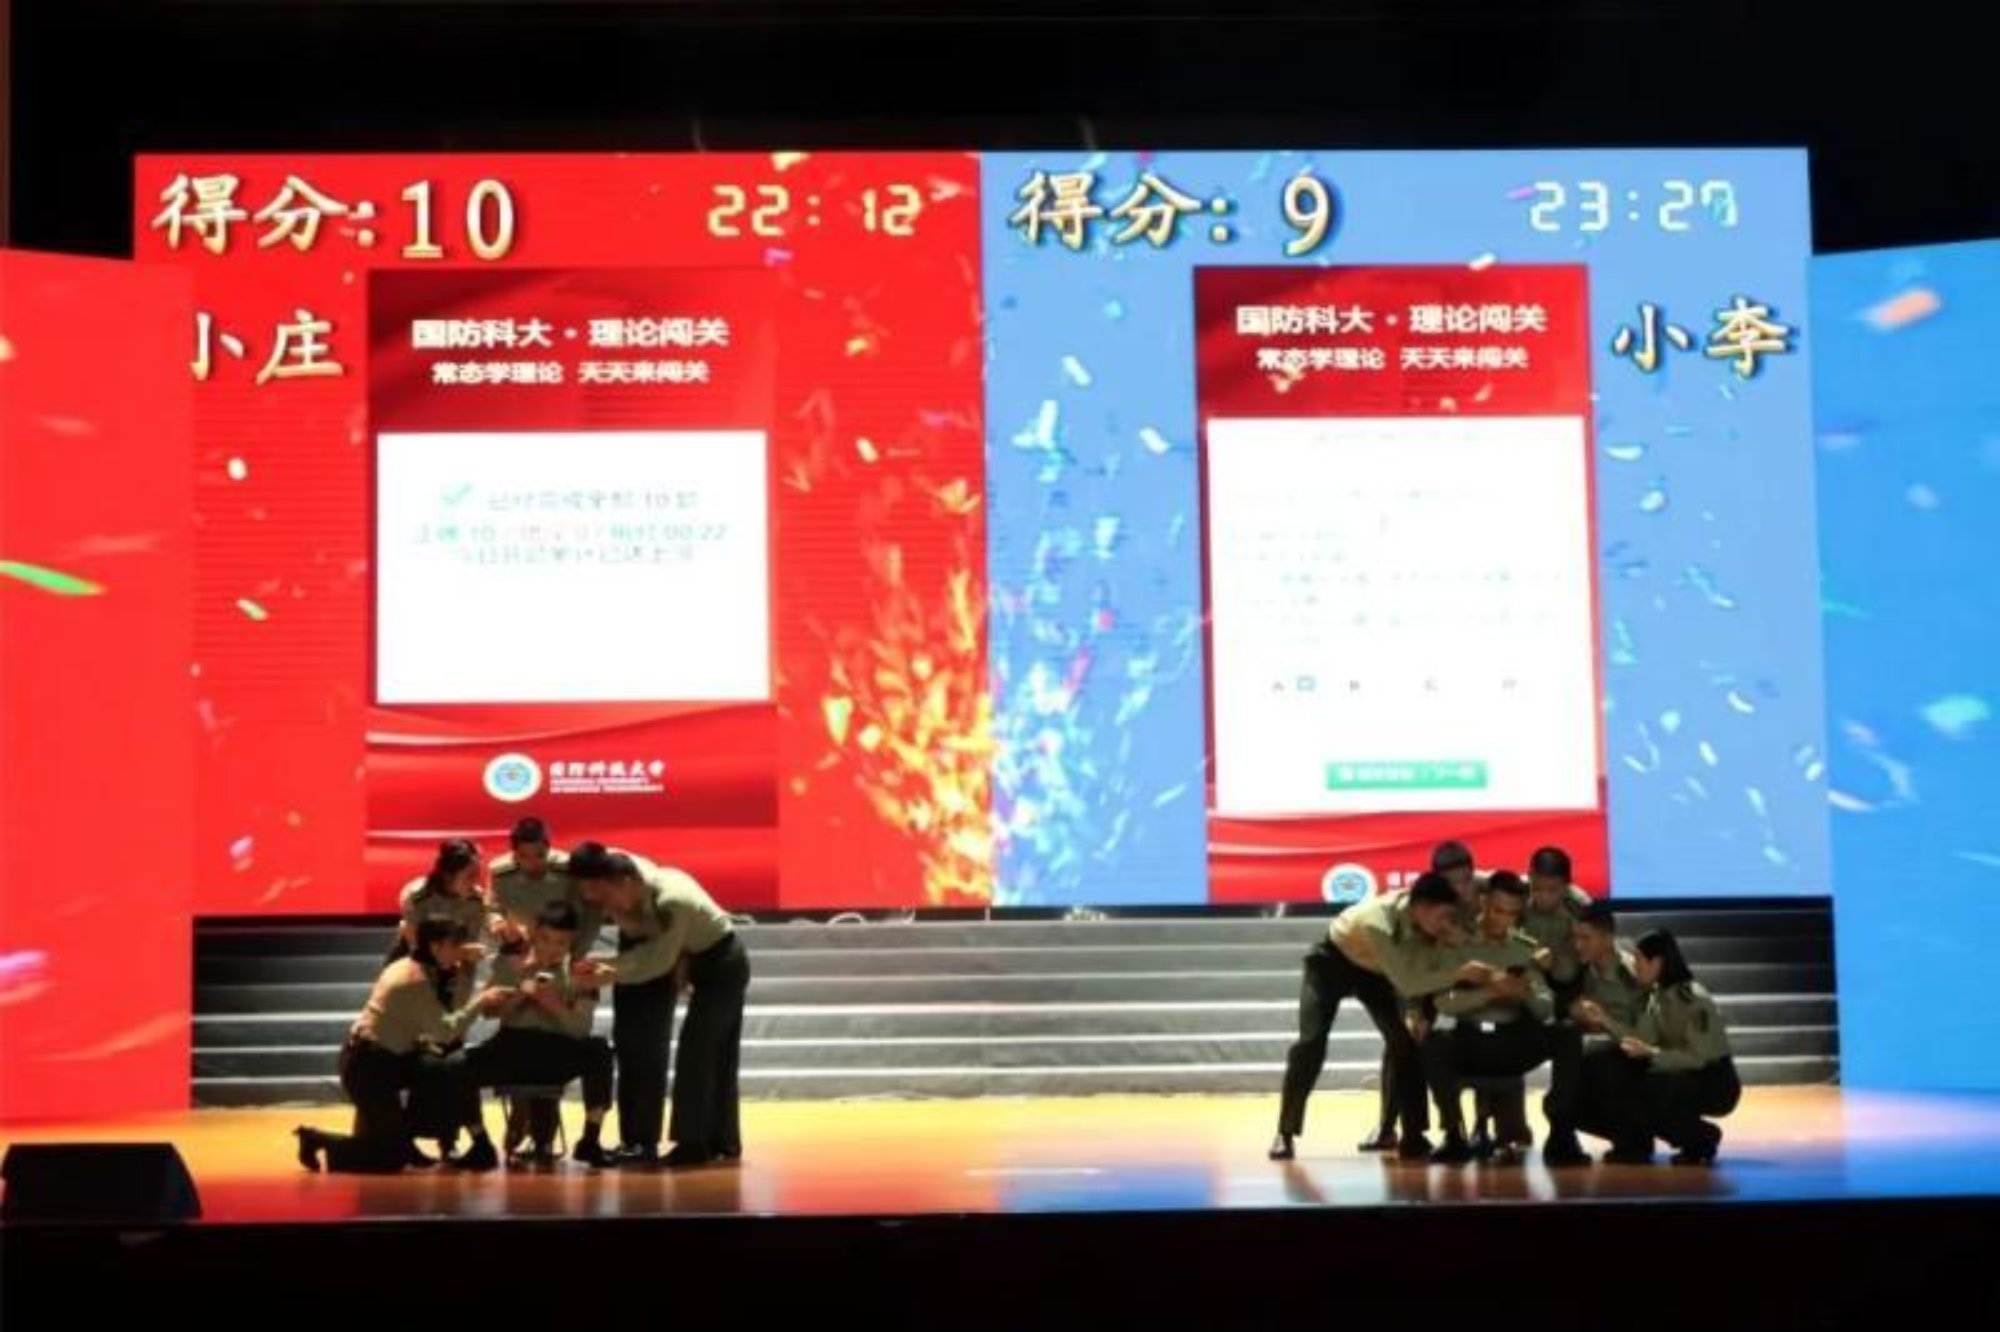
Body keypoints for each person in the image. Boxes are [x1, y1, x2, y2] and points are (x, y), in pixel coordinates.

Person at [1271, 872, 1492, 1163]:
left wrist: (1414, 1010)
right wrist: (1458, 974)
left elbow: (1416, 972)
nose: (1445, 924)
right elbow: (1408, 981)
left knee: (1405, 1042)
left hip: (1377, 975)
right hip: (1332, 962)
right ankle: (1285, 1132)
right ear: (1422, 906)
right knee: (1311, 1042)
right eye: (1442, 917)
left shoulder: (1427, 929)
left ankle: (1405, 1133)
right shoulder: (1376, 920)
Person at [569, 842, 750, 1169]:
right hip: (695, 957)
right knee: (699, 1050)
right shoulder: (621, 873)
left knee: (699, 1050)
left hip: (722, 963)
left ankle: (695, 1143)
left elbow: (658, 961)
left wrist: (611, 970)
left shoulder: (670, 900)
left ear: (625, 883)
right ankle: (714, 1141)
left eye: (609, 899)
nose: (609, 909)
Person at [294, 915, 512, 1174]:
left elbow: (445, 1013)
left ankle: (440, 1139)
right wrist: (482, 1000)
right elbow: (446, 1030)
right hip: (368, 1067)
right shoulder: (413, 981)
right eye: (455, 946)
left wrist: (464, 964)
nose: (460, 953)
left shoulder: (412, 965)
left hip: (392, 1057)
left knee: (448, 1068)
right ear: (435, 946)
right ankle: (318, 1140)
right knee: (389, 1158)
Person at [1418, 871, 1589, 1166]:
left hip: (1512, 1042)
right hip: (1470, 1040)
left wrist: (1525, 993)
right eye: (1498, 911)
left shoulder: (1525, 947)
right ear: (1484, 902)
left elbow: (1546, 1008)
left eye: (1512, 914)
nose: (1504, 920)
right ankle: (1453, 1134)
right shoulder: (1458, 943)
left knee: (1567, 1034)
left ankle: (1562, 1132)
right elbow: (1443, 1002)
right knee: (1433, 1043)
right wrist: (1489, 992)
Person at [466, 900, 616, 1167]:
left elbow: (581, 1028)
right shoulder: (510, 964)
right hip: (511, 1047)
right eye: (545, 939)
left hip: (555, 1051)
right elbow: (488, 1012)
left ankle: (590, 1140)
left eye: (561, 943)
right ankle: (479, 1143)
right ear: (534, 934)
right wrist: (519, 996)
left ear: (571, 941)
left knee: (599, 1050)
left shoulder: (580, 972)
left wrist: (554, 1005)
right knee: (455, 1066)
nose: (551, 948)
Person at [1358, 842, 1481, 1153]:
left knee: (1479, 1034)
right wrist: (1413, 1009)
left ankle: (1480, 1126)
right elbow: (1410, 965)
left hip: (1472, 975)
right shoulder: (1424, 905)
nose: (1461, 889)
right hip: (1428, 977)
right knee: (1405, 1041)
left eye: (1466, 880)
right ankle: (1393, 1126)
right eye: (1452, 883)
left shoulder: (1487, 891)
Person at [1613, 929, 1742, 1165]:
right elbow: (1642, 1038)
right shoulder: (1656, 996)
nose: (1635, 966)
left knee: (1653, 1089)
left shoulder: (1692, 999)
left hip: (1714, 1079)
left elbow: (1698, 1058)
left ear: (1657, 962)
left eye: (1639, 959)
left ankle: (1702, 1137)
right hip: (1684, 1073)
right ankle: (1692, 1141)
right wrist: (1604, 1020)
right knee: (1630, 1083)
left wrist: (1651, 1053)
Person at [1568, 903, 1652, 1162]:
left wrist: (1604, 1021)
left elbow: (1646, 1035)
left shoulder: (1634, 974)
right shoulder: (1581, 971)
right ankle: (1629, 1136)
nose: (1578, 945)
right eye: (1575, 937)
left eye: (1586, 938)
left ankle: (1634, 1140)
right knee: (1564, 1101)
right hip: (1598, 1054)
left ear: (1607, 938)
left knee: (1602, 1063)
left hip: (1636, 1056)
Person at [489, 816, 600, 958]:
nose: (532, 863)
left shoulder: (567, 870)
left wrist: (578, 953)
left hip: (561, 951)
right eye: (523, 856)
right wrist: (499, 925)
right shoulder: (502, 874)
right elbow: (493, 909)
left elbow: (589, 913)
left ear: (548, 849)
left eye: (540, 855)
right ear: (514, 853)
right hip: (519, 949)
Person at [390, 838, 489, 961]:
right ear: (447, 876)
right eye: (469, 876)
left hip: (455, 962)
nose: (475, 882)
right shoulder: (417, 897)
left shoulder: (476, 900)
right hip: (414, 960)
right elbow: (415, 947)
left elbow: (471, 944)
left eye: (478, 875)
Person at [1520, 845, 1593, 1000]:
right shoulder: (1518, 892)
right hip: (1524, 967)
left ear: (1567, 885)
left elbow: (1588, 955)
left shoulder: (1579, 906)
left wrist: (1555, 961)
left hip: (1567, 977)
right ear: (1530, 877)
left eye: (1552, 890)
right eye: (1537, 888)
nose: (1544, 897)